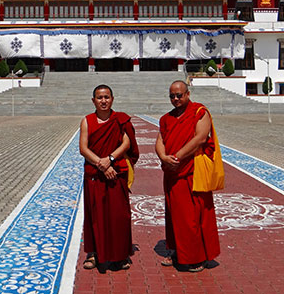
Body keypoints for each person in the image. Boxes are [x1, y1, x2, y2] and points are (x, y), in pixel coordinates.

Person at [155, 80, 220, 272]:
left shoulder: (200, 112)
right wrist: (164, 157)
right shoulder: (166, 118)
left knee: (193, 216)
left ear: (188, 94)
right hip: (172, 173)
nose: (175, 99)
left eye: (179, 95)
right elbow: (159, 140)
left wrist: (177, 157)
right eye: (172, 96)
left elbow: (200, 137)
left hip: (192, 170)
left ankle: (196, 256)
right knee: (174, 214)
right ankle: (175, 249)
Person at [79, 84, 139, 270]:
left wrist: (110, 159)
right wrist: (102, 164)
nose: (103, 101)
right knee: (95, 215)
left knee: (118, 215)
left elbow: (127, 143)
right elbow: (83, 148)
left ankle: (120, 255)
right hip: (96, 174)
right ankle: (94, 253)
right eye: (99, 97)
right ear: (93, 100)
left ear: (112, 99)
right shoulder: (87, 121)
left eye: (106, 97)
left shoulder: (120, 119)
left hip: (116, 172)